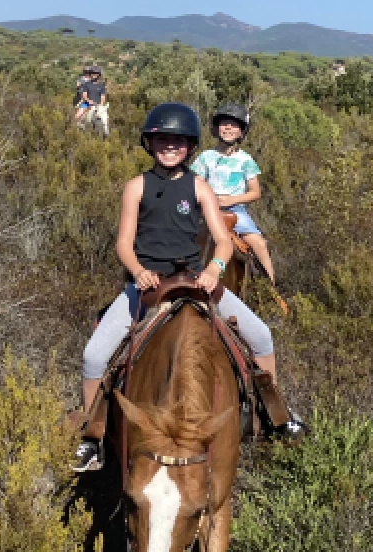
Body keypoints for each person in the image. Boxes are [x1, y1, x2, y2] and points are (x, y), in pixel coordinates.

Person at [73, 103, 276, 472]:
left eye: (179, 141)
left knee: (261, 337)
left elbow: (223, 239)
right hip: (148, 283)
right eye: (163, 139)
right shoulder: (136, 187)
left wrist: (215, 269)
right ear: (150, 143)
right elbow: (123, 242)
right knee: (94, 357)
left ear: (190, 145)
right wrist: (137, 270)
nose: (170, 146)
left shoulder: (199, 187)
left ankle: (274, 418)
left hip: (195, 279)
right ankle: (93, 436)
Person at [190, 102, 275, 282]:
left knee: (259, 243)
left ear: (241, 132)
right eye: (224, 123)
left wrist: (231, 200)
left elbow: (255, 192)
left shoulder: (246, 160)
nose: (228, 127)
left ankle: (270, 290)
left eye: (234, 124)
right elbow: (194, 183)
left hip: (235, 212)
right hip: (206, 210)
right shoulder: (205, 157)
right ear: (216, 128)